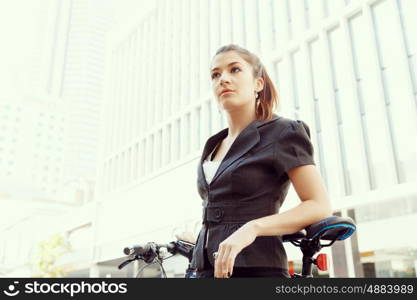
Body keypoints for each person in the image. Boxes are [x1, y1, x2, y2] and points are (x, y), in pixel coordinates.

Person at [176, 44, 332, 278]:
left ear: (258, 84)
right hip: (203, 270)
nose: (223, 79)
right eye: (215, 75)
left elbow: (318, 205)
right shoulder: (213, 145)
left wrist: (253, 228)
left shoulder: (283, 132)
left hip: (256, 268)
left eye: (235, 70)